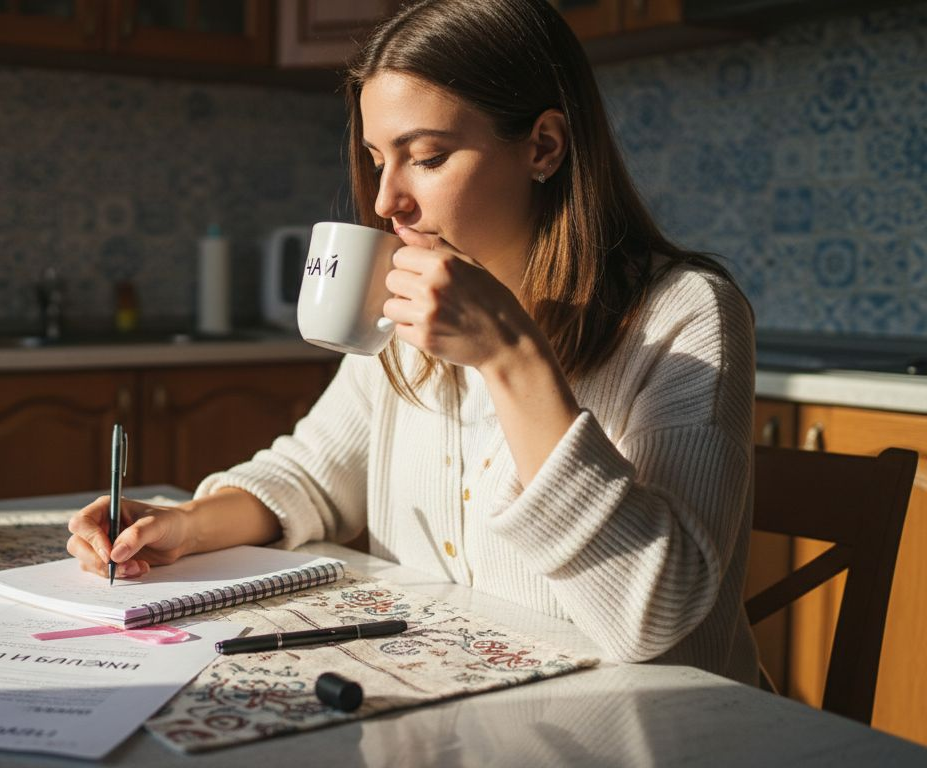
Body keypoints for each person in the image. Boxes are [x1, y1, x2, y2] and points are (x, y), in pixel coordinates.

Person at [67, 0, 760, 684]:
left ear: (544, 146)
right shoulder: (402, 305)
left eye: (426, 157)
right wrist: (185, 525)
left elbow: (653, 614)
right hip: (462, 707)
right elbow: (312, 476)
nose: (384, 202)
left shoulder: (686, 315)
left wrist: (511, 358)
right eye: (376, 159)